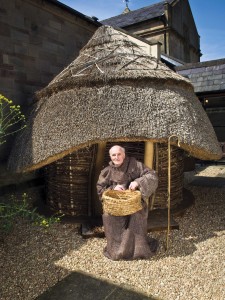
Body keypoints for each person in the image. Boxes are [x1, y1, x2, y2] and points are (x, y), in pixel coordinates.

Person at [96, 145, 159, 260]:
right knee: (108, 216)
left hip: (134, 204)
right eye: (113, 155)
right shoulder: (107, 171)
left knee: (136, 215)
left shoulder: (136, 165)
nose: (116, 157)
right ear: (110, 156)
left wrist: (138, 182)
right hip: (115, 206)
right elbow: (100, 189)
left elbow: (152, 176)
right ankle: (116, 250)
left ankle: (137, 250)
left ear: (124, 155)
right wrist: (112, 189)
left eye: (119, 154)